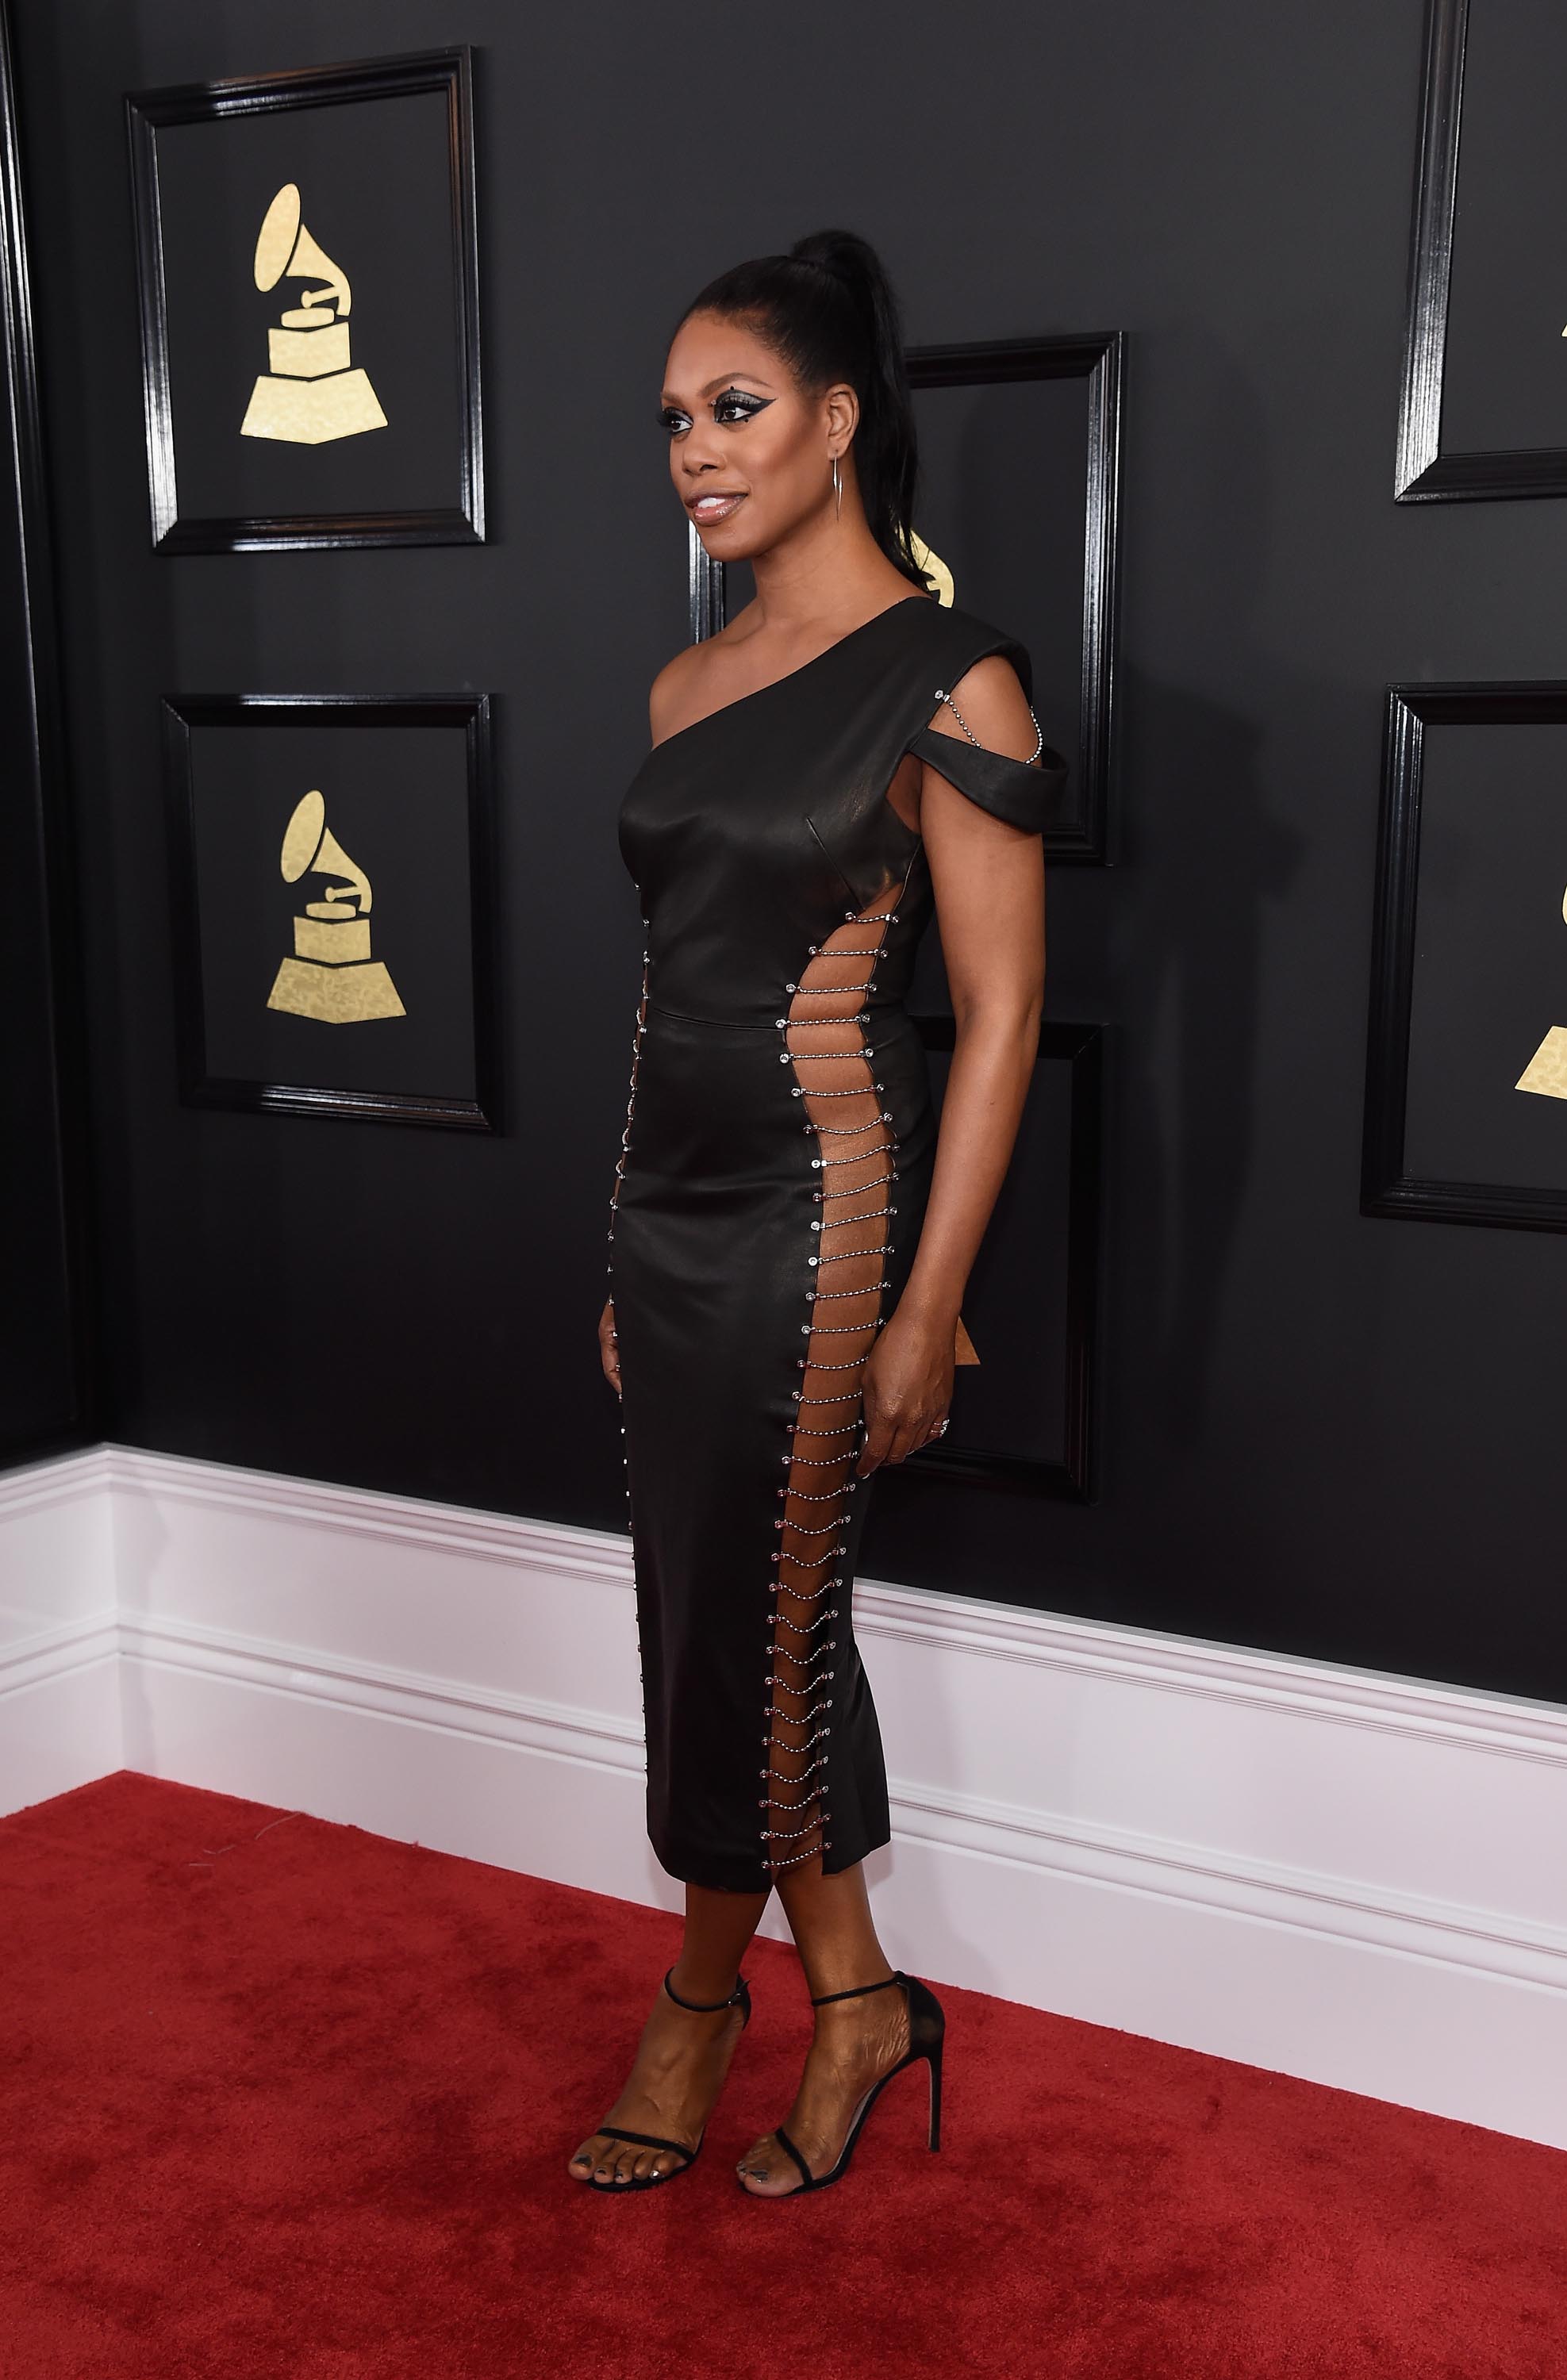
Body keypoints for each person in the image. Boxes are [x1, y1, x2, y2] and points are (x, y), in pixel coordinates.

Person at [570, 228, 1066, 2198]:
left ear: (838, 421)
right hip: (671, 1219)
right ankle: (849, 1990)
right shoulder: (691, 680)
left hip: (818, 1216)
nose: (695, 450)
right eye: (676, 420)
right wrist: (623, 1236)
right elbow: (667, 989)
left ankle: (703, 2001)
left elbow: (1007, 1007)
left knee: (756, 1628)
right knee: (717, 1613)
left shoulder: (960, 682)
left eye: (737, 408)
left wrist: (932, 1301)